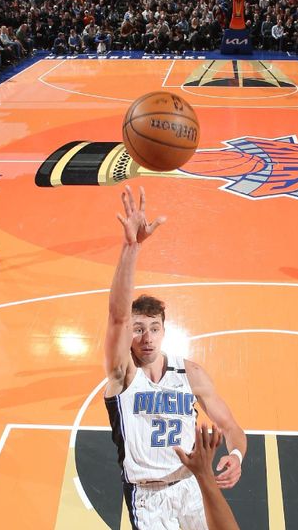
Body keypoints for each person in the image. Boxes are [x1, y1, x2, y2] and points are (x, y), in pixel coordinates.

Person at [104, 186, 247, 529]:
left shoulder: (191, 373)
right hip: (148, 497)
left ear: (165, 331)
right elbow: (117, 316)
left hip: (192, 486)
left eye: (154, 328)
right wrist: (131, 248)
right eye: (138, 329)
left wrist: (236, 455)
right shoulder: (123, 376)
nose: (146, 337)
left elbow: (230, 426)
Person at [175, 425, 240, 530]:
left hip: (188, 482)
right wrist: (204, 473)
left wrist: (236, 455)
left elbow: (230, 425)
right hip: (147, 489)